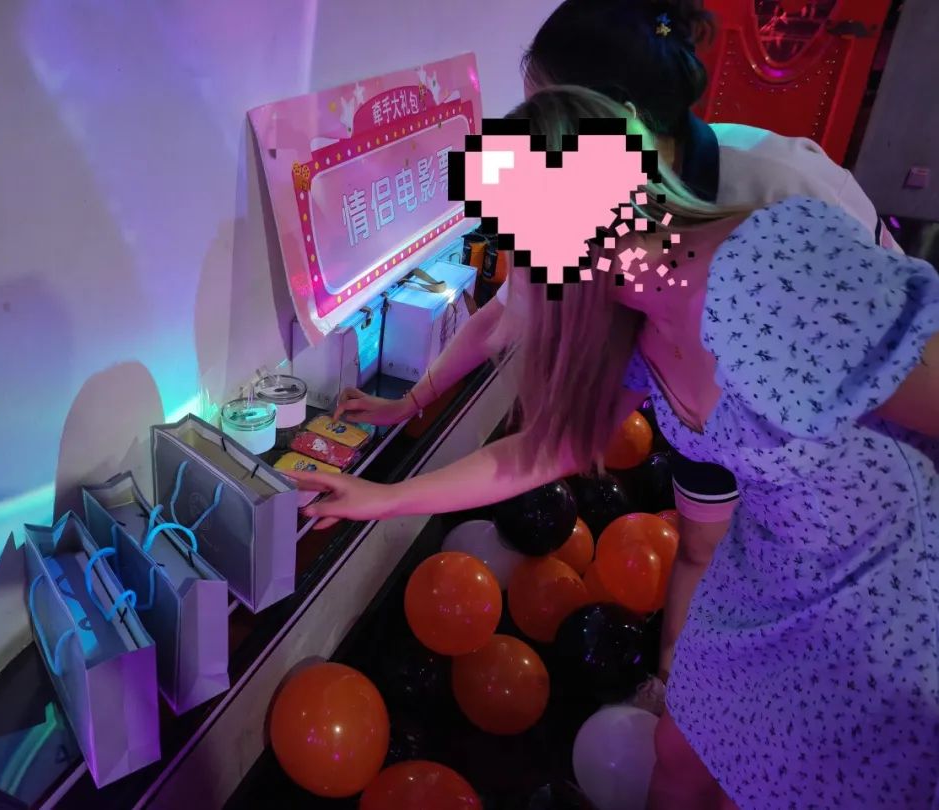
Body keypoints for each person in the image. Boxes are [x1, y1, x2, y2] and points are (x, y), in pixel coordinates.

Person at [294, 85, 939, 809]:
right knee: (679, 754)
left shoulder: (766, 264)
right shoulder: (633, 313)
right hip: (762, 575)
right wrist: (383, 498)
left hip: (883, 607)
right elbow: (544, 451)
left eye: (514, 237)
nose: (511, 265)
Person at [323, 0, 900, 683]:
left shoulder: (775, 240)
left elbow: (902, 408)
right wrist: (387, 490)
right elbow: (549, 442)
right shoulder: (624, 301)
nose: (531, 282)